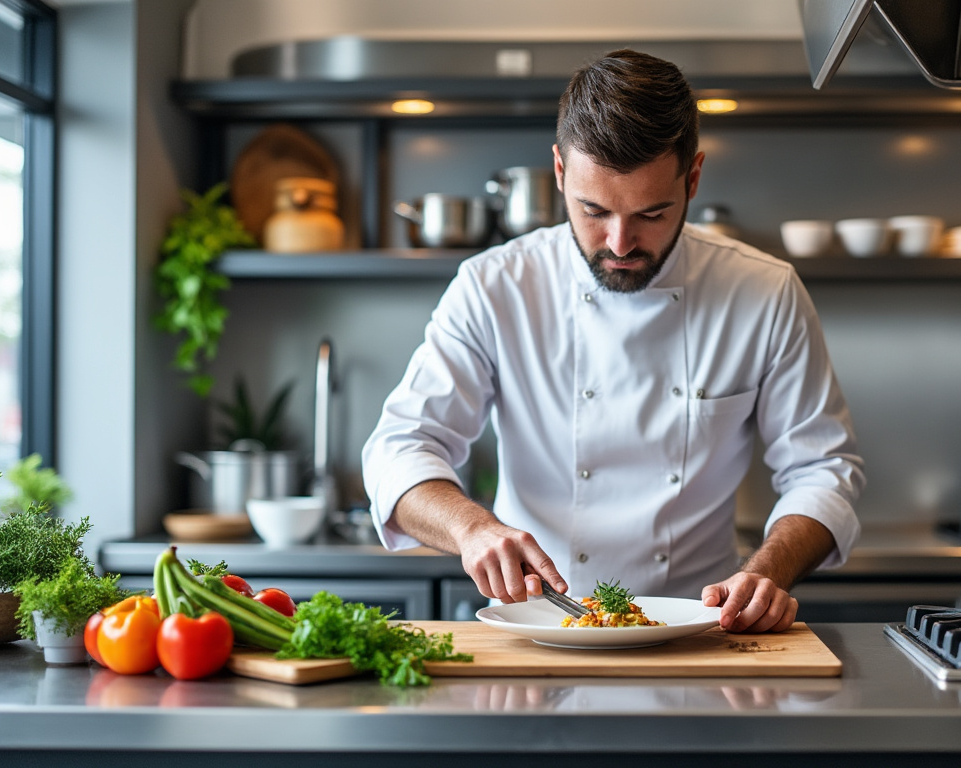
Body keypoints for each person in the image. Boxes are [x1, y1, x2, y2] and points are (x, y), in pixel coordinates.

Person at [362, 49, 864, 633]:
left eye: (652, 213)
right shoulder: (495, 286)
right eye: (594, 210)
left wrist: (767, 572)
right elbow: (400, 448)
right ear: (558, 173)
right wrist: (472, 530)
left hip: (699, 634)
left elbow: (823, 470)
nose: (621, 242)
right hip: (542, 629)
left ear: (693, 178)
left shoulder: (764, 291)